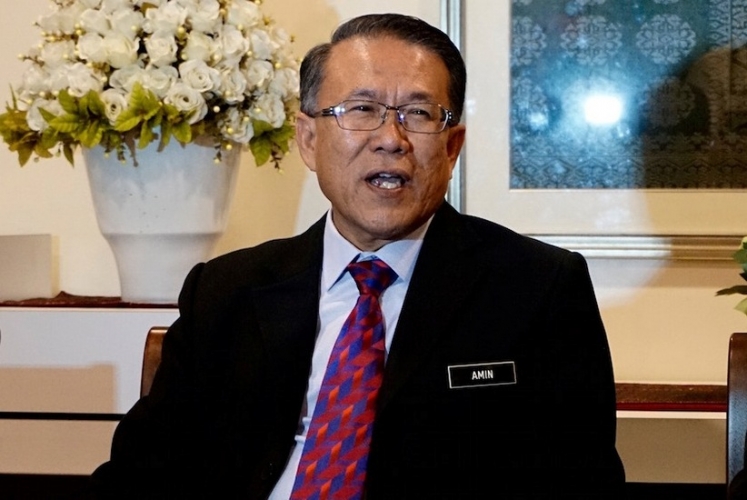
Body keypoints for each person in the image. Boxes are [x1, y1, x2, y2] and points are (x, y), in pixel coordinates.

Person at [90, 13, 625, 499]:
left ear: (451, 147)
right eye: (362, 109)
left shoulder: (538, 288)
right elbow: (139, 475)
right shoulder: (226, 291)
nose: (391, 139)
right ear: (307, 139)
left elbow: (581, 484)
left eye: (418, 113)